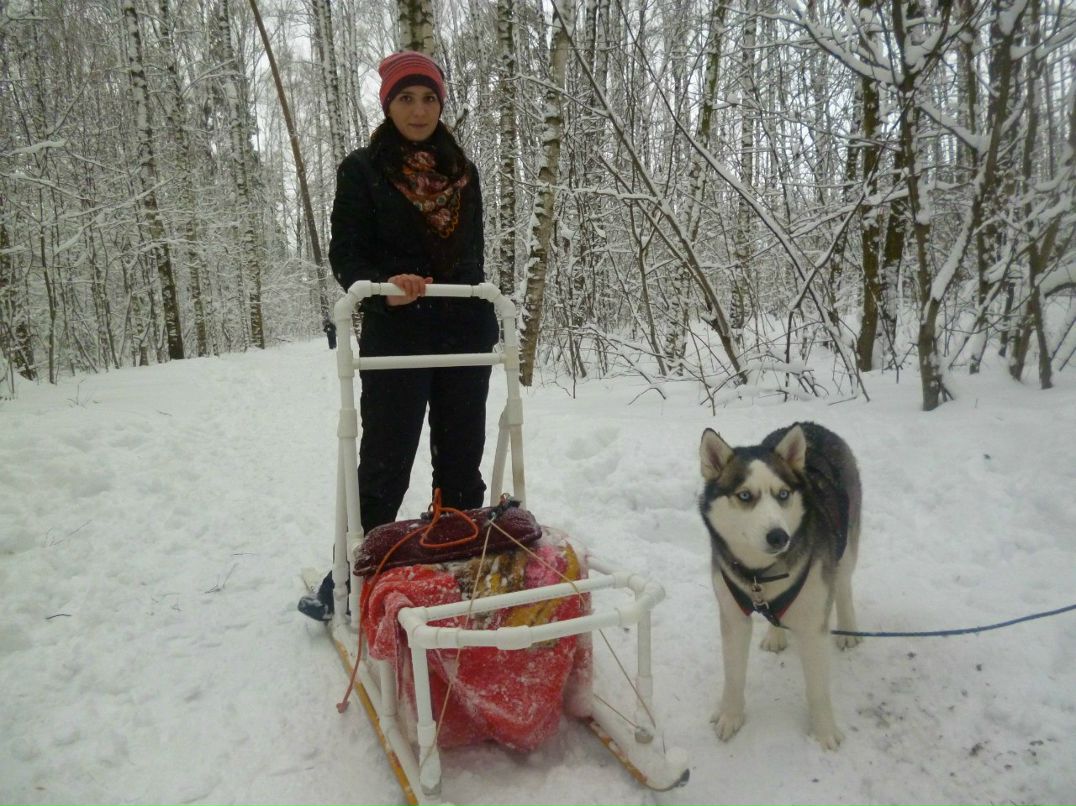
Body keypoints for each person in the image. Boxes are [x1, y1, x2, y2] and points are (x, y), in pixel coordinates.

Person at [298, 50, 499, 622]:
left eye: (429, 98)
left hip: (464, 327)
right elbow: (347, 252)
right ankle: (347, 577)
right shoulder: (361, 169)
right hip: (398, 333)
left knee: (462, 460)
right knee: (386, 461)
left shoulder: (463, 171)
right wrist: (383, 285)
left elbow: (472, 256)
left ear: (441, 103)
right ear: (388, 104)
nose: (418, 109)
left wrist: (466, 293)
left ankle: (456, 566)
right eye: (406, 98)